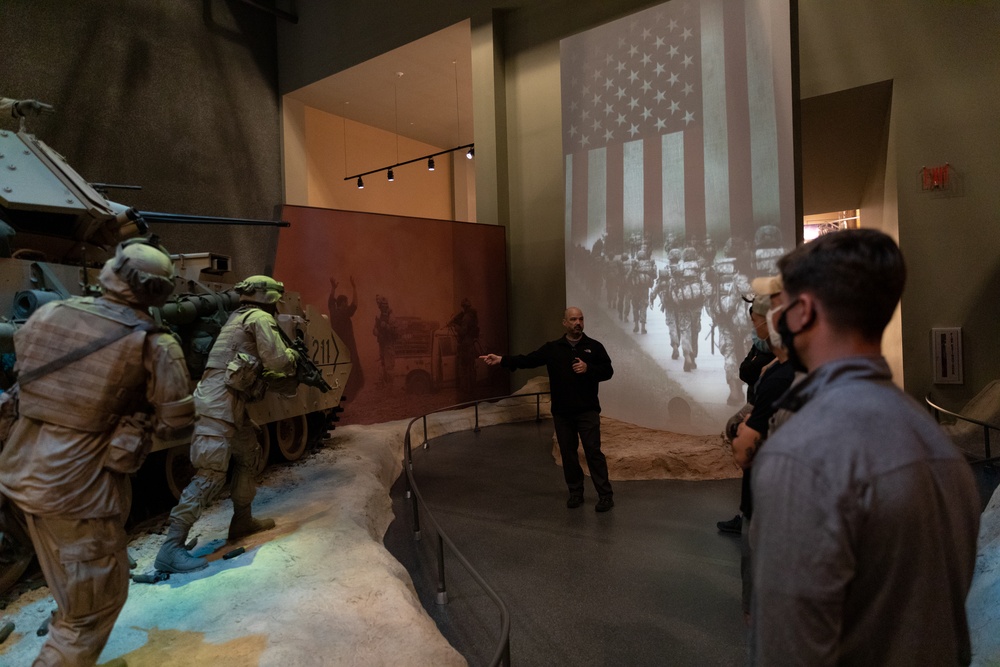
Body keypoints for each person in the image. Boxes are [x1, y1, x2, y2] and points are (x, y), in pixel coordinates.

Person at [750, 229, 980, 665]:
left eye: (781, 305)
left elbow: (789, 651)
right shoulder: (932, 437)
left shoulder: (801, 451)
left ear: (803, 312)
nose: (775, 316)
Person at [0, 238, 194, 665]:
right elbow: (177, 422)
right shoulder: (155, 345)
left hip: (18, 468)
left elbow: (23, 373)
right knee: (92, 610)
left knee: (67, 580)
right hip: (76, 490)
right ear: (158, 291)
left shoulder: (50, 312)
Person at [154, 275, 300, 574]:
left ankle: (242, 521)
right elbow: (277, 361)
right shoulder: (259, 317)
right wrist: (294, 356)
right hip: (217, 407)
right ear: (270, 298)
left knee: (248, 455)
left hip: (229, 406)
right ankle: (170, 549)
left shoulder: (237, 316)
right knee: (210, 475)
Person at [480, 307, 615, 512]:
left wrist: (589, 369)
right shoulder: (553, 348)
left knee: (593, 452)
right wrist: (502, 360)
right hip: (562, 413)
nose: (578, 322)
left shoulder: (594, 347)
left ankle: (605, 496)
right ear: (565, 323)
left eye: (580, 319)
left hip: (587, 411)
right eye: (573, 319)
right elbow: (528, 359)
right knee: (568, 454)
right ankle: (575, 492)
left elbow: (608, 371)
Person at [328, 276, 364, 399]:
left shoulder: (333, 313)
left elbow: (331, 301)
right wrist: (354, 288)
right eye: (346, 303)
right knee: (351, 371)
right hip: (347, 347)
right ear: (343, 304)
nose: (347, 304)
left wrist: (333, 288)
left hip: (336, 347)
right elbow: (355, 304)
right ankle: (349, 394)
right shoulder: (343, 313)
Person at [448, 298, 480, 397]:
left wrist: (455, 326)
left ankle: (468, 391)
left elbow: (462, 331)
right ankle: (471, 390)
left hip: (466, 345)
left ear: (464, 307)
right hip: (470, 344)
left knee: (465, 369)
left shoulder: (466, 317)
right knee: (470, 368)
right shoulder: (471, 315)